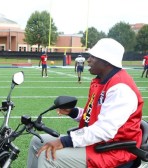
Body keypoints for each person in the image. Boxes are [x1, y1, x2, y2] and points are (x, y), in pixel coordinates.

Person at [27, 38, 143, 168]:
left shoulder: (121, 88)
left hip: (113, 150)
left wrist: (65, 141)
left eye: (93, 57)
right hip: (99, 143)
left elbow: (104, 130)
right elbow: (93, 116)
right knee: (37, 141)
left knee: (48, 156)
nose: (88, 60)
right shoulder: (101, 82)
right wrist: (73, 112)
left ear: (106, 61)